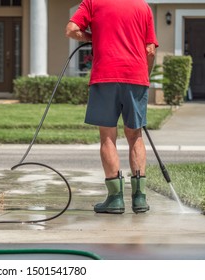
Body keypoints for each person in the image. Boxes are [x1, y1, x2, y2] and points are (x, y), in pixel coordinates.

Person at [65, 0, 158, 214]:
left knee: (108, 136)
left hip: (105, 76)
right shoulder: (143, 7)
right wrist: (145, 76)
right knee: (136, 136)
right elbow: (150, 50)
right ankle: (139, 198)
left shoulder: (92, 2)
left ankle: (115, 199)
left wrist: (91, 37)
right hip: (136, 76)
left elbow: (71, 30)